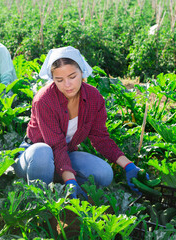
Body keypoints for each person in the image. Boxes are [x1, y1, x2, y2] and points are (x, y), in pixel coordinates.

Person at [13, 46, 146, 199]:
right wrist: (70, 179)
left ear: (82, 72)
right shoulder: (44, 100)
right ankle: (40, 202)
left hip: (64, 156)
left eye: (72, 76)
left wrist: (128, 165)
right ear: (52, 79)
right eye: (59, 80)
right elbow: (55, 145)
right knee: (43, 151)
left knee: (104, 174)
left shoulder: (94, 97)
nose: (67, 85)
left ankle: (61, 184)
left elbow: (100, 137)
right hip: (34, 159)